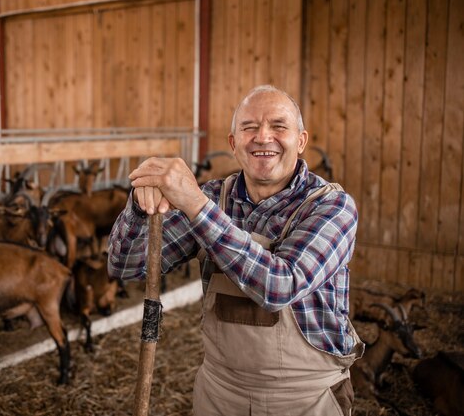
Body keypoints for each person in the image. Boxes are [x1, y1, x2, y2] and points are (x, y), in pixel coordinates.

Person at [107, 85, 365, 416]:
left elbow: (279, 286)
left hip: (304, 398)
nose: (263, 137)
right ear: (233, 144)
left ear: (300, 141)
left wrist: (197, 207)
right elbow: (125, 265)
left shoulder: (332, 206)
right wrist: (140, 206)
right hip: (219, 392)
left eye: (278, 126)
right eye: (249, 127)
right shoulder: (215, 198)